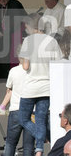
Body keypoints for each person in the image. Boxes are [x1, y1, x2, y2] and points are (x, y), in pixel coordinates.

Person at [19, 13, 62, 156]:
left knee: (23, 118)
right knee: (41, 119)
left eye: (26, 25)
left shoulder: (28, 41)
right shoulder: (52, 41)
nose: (25, 27)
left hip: (31, 86)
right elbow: (58, 63)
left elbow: (25, 66)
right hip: (47, 86)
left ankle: (43, 138)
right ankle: (39, 150)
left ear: (32, 26)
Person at [0, 59, 34, 156]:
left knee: (10, 143)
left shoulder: (14, 71)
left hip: (16, 109)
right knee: (29, 145)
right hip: (32, 110)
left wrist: (3, 106)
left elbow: (9, 90)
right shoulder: (35, 71)